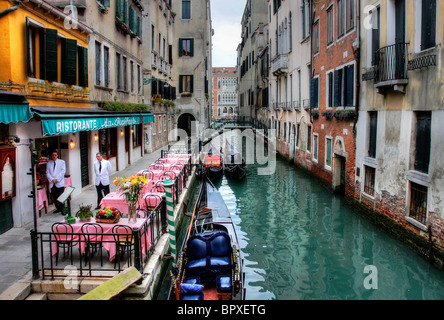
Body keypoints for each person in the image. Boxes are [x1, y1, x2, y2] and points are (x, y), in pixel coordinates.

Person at [46, 150, 66, 214]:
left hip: (59, 182)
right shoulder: (49, 163)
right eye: (53, 155)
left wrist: (57, 179)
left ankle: (63, 209)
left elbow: (63, 171)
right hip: (52, 183)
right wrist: (52, 179)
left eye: (55, 155)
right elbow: (47, 172)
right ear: (51, 156)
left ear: (57, 155)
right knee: (55, 197)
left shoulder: (62, 162)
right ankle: (58, 208)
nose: (54, 156)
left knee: (61, 196)